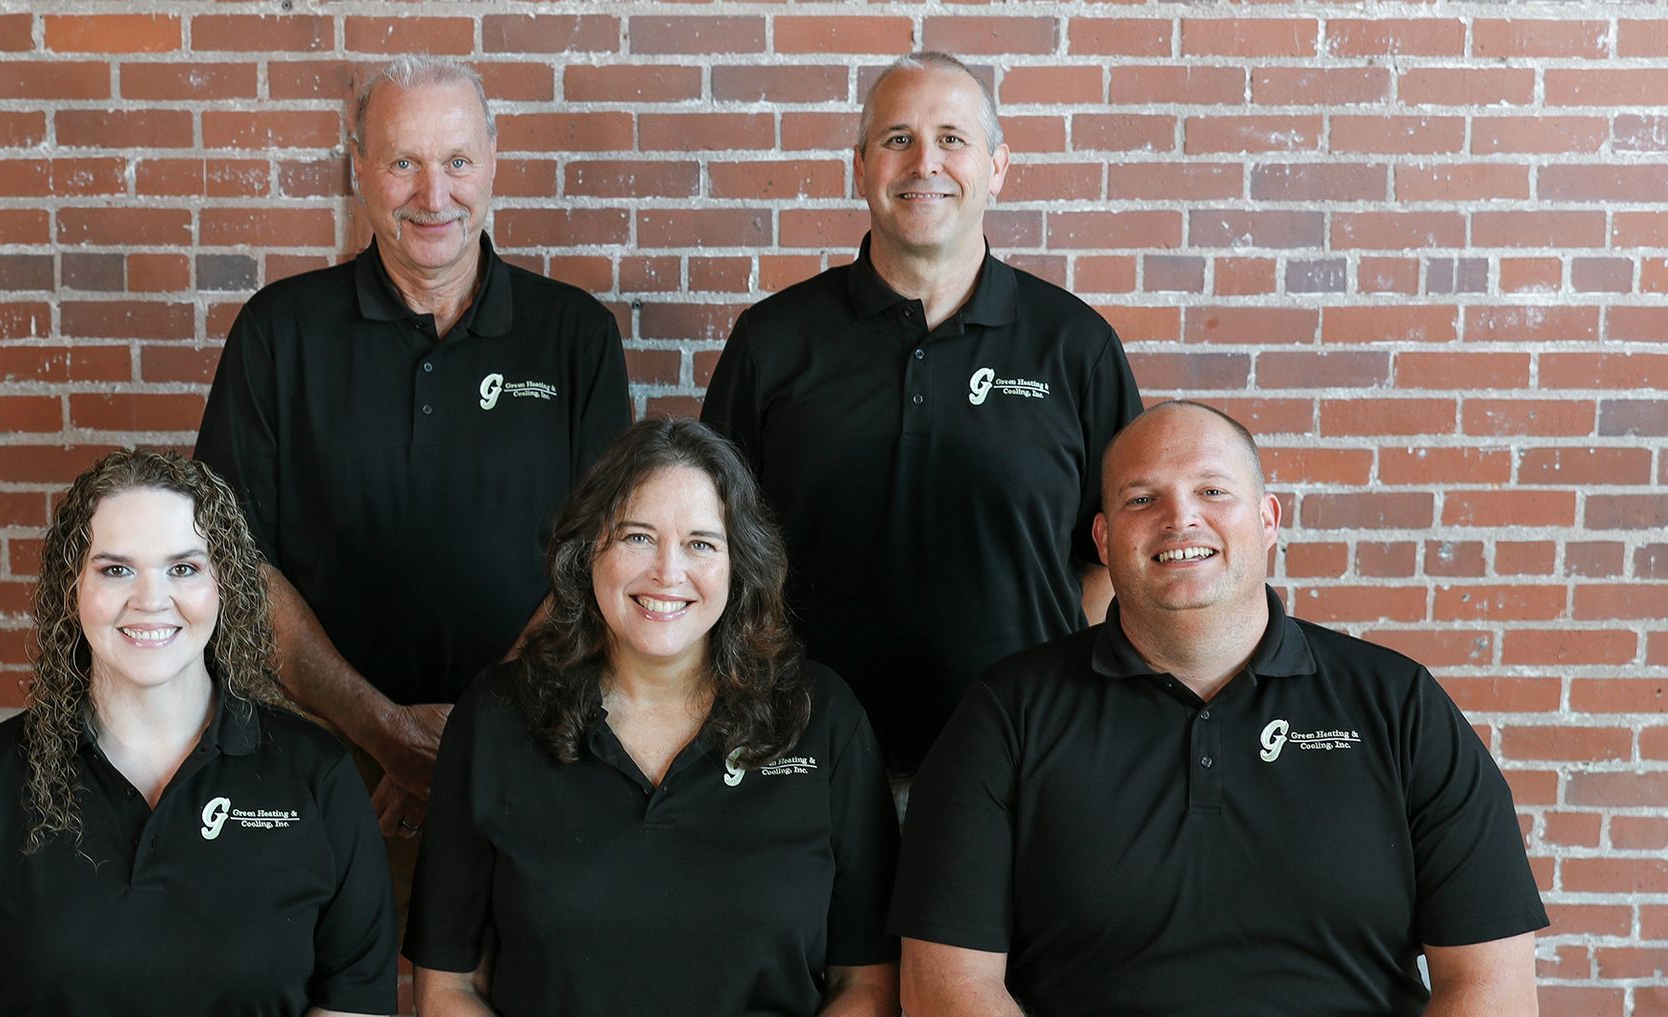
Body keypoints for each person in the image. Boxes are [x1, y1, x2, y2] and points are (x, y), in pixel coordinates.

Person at [891, 402, 1548, 1017]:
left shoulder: (1399, 705)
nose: (1180, 518)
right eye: (1142, 498)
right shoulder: (1008, 713)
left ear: (1267, 520)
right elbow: (946, 985)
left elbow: (1491, 979)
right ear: (1104, 536)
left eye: (1212, 490)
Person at [194, 54, 631, 842]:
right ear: (357, 168)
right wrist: (383, 731)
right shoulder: (277, 334)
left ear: (492, 162)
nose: (435, 196)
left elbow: (606, 556)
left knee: (516, 970)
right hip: (325, 769)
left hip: (533, 756)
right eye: (403, 163)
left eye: (457, 160)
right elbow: (233, 561)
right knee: (337, 968)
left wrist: (473, 738)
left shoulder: (576, 337)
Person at [702, 51, 1142, 776]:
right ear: (860, 164)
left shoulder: (1075, 346)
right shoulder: (773, 341)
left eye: (952, 139)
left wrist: (1058, 680)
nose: (924, 163)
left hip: (1020, 761)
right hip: (808, 756)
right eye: (898, 139)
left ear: (996, 167)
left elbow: (1117, 553)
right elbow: (709, 542)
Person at [404, 418, 900, 1016]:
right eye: (638, 536)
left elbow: (867, 984)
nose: (668, 572)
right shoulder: (496, 718)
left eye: (700, 543)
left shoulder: (822, 718)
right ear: (588, 548)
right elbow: (448, 988)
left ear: (738, 562)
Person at [0, 450, 395, 1016]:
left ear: (225, 586)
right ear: (72, 590)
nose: (150, 600)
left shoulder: (317, 777)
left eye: (183, 567)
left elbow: (356, 1003)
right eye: (116, 569)